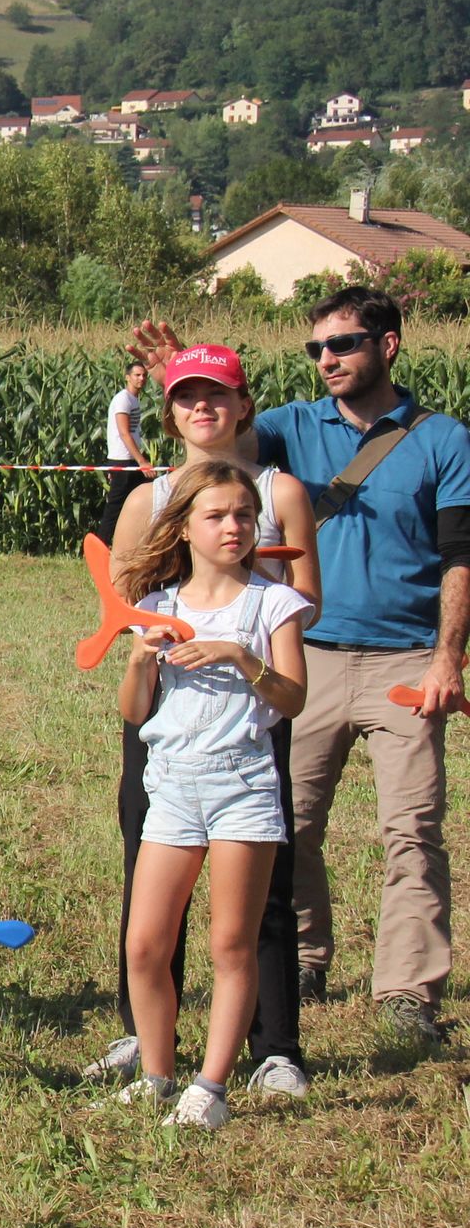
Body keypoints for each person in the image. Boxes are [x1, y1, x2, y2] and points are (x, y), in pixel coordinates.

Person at [138, 295, 470, 1046]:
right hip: (304, 654)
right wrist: (186, 380)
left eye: (343, 344)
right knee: (291, 824)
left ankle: (406, 992)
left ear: (388, 344)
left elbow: (460, 555)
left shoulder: (443, 440)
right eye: (316, 348)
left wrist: (449, 657)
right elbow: (215, 448)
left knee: (412, 829)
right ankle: (308, 959)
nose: (327, 359)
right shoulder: (291, 426)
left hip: (407, 659)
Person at [85, 344, 317, 1097]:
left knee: (251, 906)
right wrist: (147, 646)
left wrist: (246, 632)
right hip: (170, 720)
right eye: (187, 396)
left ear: (245, 405)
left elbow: (303, 608)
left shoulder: (279, 493)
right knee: (149, 896)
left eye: (218, 394)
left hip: (245, 726)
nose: (203, 408)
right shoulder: (147, 500)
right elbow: (122, 605)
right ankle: (150, 1047)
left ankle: (270, 1049)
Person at [113, 460, 310, 1131]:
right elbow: (134, 711)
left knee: (231, 943)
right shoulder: (159, 606)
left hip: (241, 786)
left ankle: (210, 1087)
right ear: (185, 528)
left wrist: (241, 657)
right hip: (171, 786)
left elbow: (293, 698)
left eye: (244, 515)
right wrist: (139, 658)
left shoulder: (273, 604)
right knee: (145, 946)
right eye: (217, 515)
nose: (234, 527)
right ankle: (157, 1075)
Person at [98, 359, 161, 541]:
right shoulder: (123, 400)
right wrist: (142, 461)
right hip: (123, 459)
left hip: (130, 459)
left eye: (144, 375)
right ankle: (101, 543)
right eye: (137, 375)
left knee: (146, 499)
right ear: (127, 377)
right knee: (115, 505)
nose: (141, 378)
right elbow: (124, 433)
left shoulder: (133, 399)